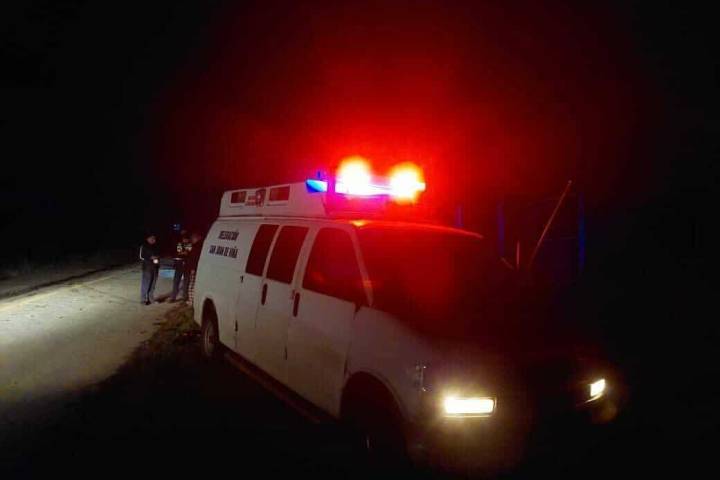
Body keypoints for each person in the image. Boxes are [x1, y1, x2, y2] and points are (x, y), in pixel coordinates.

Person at [170, 232, 192, 302]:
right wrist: (183, 253)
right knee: (176, 281)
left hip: (187, 265)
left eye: (187, 239)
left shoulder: (190, 244)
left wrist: (184, 253)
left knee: (186, 282)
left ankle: (185, 297)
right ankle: (173, 297)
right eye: (184, 239)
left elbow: (188, 252)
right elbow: (178, 252)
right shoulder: (179, 244)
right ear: (182, 239)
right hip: (179, 265)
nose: (185, 240)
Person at [139, 234, 160, 305]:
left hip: (155, 266)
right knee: (146, 283)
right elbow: (141, 256)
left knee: (153, 284)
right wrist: (150, 257)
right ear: (148, 239)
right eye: (152, 238)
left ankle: (151, 299)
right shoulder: (144, 246)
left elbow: (159, 254)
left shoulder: (156, 246)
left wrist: (157, 257)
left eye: (154, 238)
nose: (154, 239)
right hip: (147, 267)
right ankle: (143, 300)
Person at [185, 232, 203, 306]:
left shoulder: (196, 247)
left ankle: (191, 301)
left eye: (192, 239)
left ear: (196, 238)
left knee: (192, 285)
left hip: (194, 269)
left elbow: (194, 259)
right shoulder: (200, 246)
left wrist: (192, 268)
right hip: (198, 268)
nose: (191, 240)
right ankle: (193, 301)